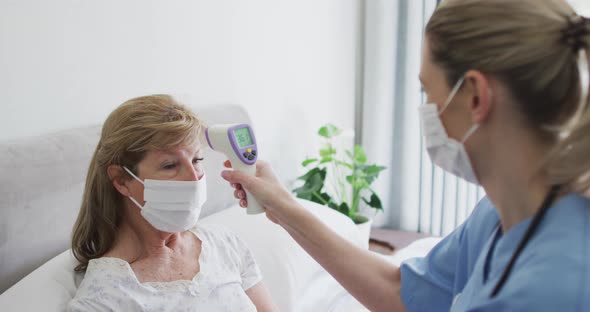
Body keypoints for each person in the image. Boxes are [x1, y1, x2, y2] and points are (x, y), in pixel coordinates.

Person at [221, 0, 590, 311]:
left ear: (475, 96)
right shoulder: (500, 213)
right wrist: (284, 208)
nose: (428, 109)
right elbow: (406, 293)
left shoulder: (552, 289)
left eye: (427, 91)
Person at [67, 95, 276, 311]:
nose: (194, 177)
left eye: (196, 160)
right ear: (121, 180)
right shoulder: (102, 299)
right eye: (169, 165)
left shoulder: (224, 244)